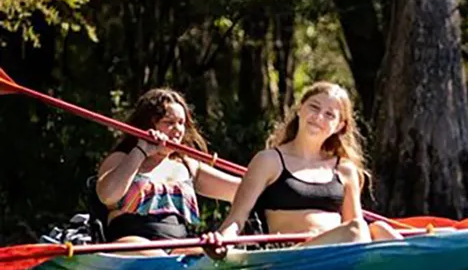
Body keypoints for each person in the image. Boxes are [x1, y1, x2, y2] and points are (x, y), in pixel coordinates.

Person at [204, 82, 401, 258]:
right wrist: (222, 241)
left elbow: (354, 227)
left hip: (339, 256)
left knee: (380, 229)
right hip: (290, 258)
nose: (318, 117)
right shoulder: (268, 161)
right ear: (300, 110)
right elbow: (236, 219)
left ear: (339, 126)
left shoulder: (345, 170)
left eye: (329, 115)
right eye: (314, 107)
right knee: (358, 230)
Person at [95, 88, 241, 253]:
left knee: (226, 255)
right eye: (169, 122)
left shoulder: (187, 164)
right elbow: (107, 196)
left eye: (181, 123)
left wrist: (267, 178)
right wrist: (141, 150)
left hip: (178, 245)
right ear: (149, 124)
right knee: (155, 255)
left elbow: (241, 190)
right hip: (131, 241)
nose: (178, 130)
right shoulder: (121, 158)